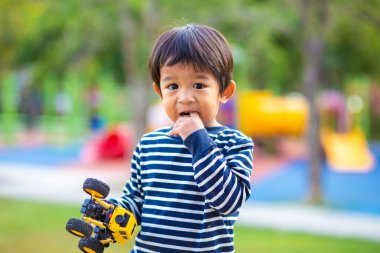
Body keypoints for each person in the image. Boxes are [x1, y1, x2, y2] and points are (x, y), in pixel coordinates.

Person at [111, 23, 254, 252]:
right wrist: (114, 213)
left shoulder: (235, 144)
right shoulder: (149, 146)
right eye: (173, 86)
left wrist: (199, 141)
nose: (185, 98)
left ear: (224, 91)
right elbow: (135, 200)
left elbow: (229, 202)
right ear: (160, 92)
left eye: (199, 85)